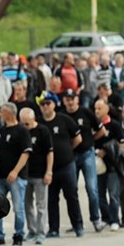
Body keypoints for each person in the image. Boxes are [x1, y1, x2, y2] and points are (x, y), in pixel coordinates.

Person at [37, 92, 85, 237]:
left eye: (48, 103)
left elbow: (78, 138)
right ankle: (53, 229)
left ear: (54, 104)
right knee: (51, 198)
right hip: (49, 168)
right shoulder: (39, 123)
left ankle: (78, 226)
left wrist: (68, 150)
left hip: (66, 164)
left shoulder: (64, 119)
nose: (45, 106)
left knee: (71, 196)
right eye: (43, 104)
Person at [61, 89, 104, 232]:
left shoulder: (85, 112)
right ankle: (77, 222)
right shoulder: (62, 115)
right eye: (67, 99)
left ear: (77, 99)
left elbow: (101, 130)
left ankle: (96, 219)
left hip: (86, 154)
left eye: (72, 98)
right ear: (64, 101)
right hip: (71, 156)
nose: (70, 101)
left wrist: (91, 141)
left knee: (92, 188)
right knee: (72, 190)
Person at [0, 103, 32, 246]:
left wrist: (15, 171)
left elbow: (26, 153)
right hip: (1, 176)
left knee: (18, 207)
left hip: (17, 176)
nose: (0, 114)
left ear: (10, 113)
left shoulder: (22, 130)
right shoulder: (1, 130)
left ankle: (19, 235)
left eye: (2, 112)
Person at [21, 107, 53, 243]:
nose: (25, 127)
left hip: (40, 174)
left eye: (27, 124)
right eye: (22, 124)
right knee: (27, 204)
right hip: (26, 174)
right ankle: (32, 230)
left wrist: (49, 171)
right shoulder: (22, 132)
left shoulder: (42, 131)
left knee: (41, 204)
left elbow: (50, 152)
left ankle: (41, 231)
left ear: (33, 119)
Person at [93, 98, 124, 231]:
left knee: (113, 193)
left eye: (100, 108)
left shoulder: (115, 125)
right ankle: (105, 217)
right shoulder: (93, 126)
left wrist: (108, 150)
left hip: (112, 165)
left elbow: (123, 144)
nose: (97, 111)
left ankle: (114, 219)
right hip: (98, 165)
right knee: (99, 194)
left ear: (107, 109)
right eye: (95, 109)